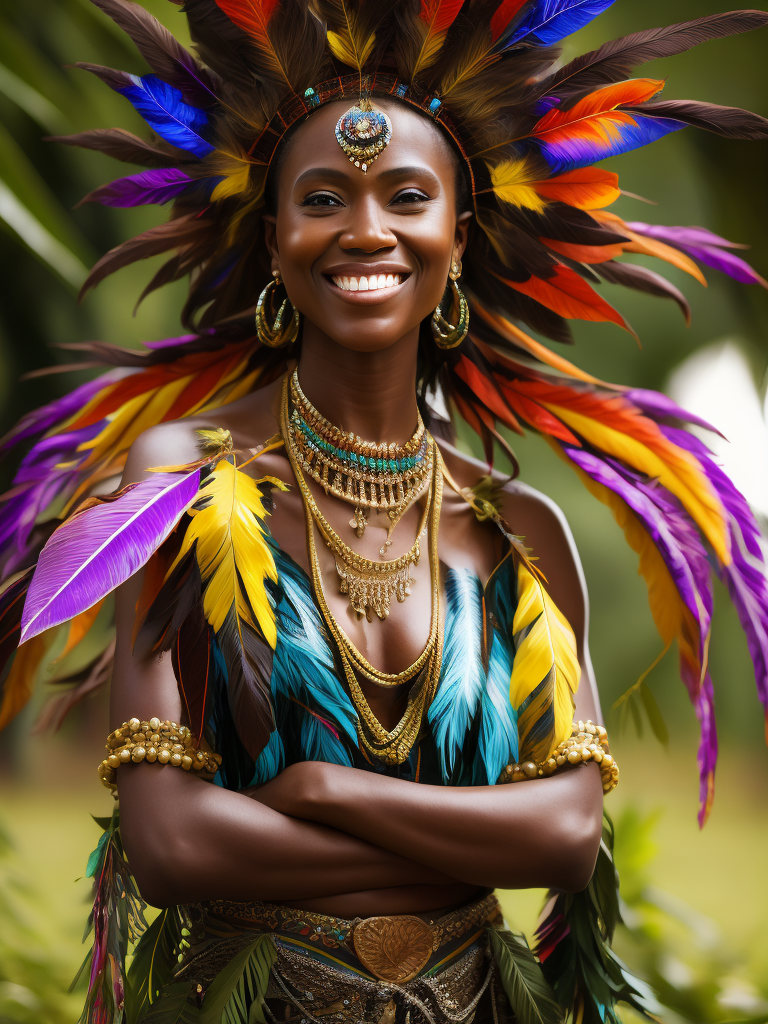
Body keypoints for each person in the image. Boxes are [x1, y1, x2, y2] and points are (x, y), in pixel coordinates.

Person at [1, 1, 768, 1022]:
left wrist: (323, 792)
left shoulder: (518, 530)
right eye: (324, 196)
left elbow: (568, 835)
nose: (366, 228)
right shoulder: (181, 475)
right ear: (274, 239)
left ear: (460, 233)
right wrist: (462, 831)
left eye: (407, 195)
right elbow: (174, 843)